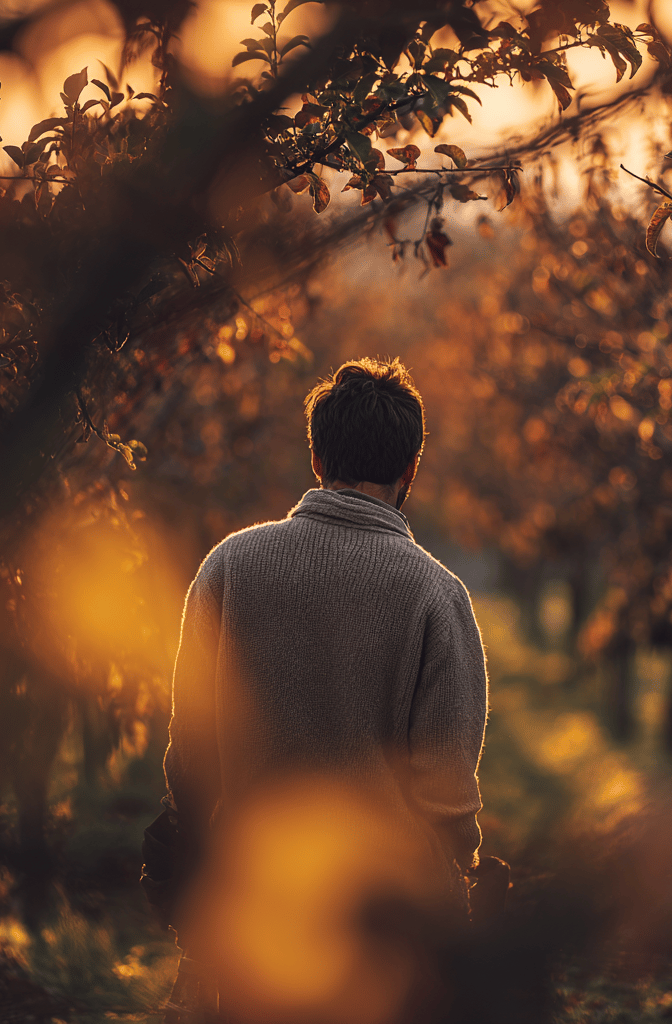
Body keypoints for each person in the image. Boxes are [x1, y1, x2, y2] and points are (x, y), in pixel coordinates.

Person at [155, 357, 489, 939]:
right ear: (412, 469)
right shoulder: (438, 594)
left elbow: (192, 751)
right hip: (385, 914)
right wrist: (459, 871)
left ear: (316, 459)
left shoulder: (227, 567)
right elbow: (448, 792)